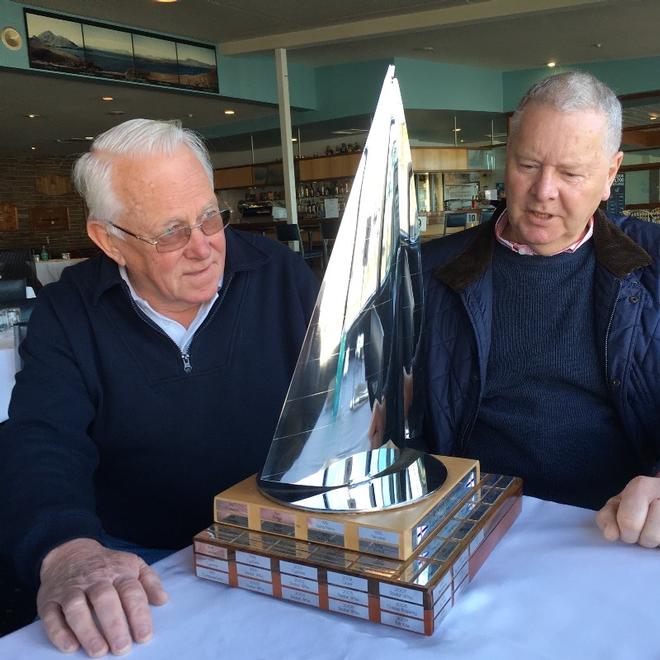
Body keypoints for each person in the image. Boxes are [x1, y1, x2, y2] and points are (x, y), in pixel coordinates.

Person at [0, 119, 318, 656]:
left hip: (277, 538)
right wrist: (69, 549)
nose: (203, 247)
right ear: (109, 240)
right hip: (136, 557)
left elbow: (335, 396)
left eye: (210, 217)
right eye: (171, 232)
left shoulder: (281, 275)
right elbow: (42, 438)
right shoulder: (69, 310)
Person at [422, 72, 659, 549]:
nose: (543, 191)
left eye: (571, 174)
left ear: (611, 174)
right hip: (465, 527)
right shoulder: (429, 272)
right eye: (527, 164)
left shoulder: (654, 266)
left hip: (614, 530)